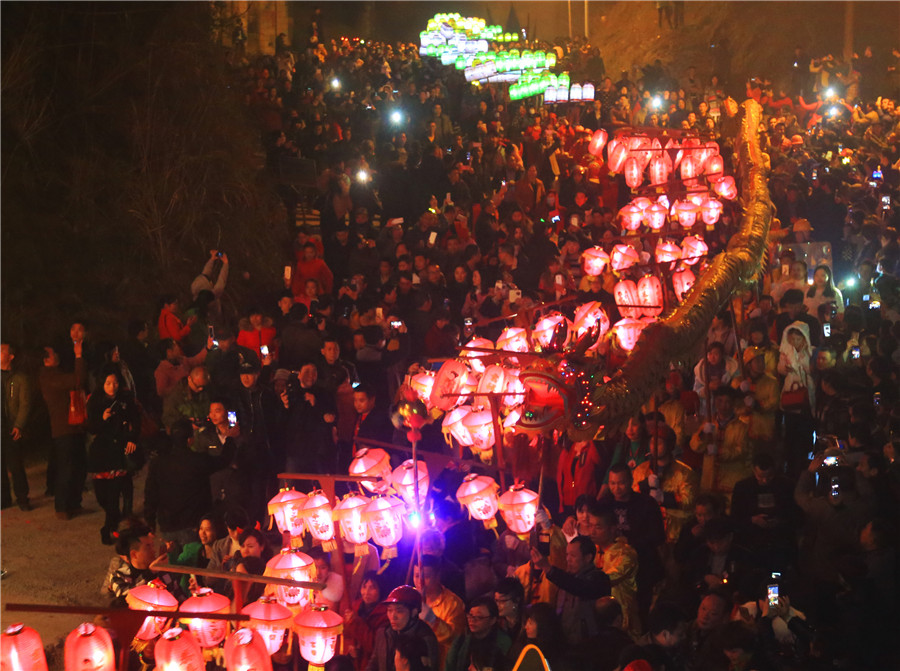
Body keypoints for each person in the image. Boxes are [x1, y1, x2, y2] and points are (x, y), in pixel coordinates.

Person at [597, 464, 666, 624]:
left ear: (630, 481)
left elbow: (658, 536)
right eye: (612, 483)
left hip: (642, 566)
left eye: (621, 483)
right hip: (610, 563)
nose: (616, 488)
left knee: (639, 611)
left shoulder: (646, 504)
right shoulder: (604, 504)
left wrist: (631, 542)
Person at [87, 366, 141, 545]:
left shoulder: (126, 399)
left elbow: (136, 421)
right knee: (102, 495)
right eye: (108, 383)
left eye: (115, 382)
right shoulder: (95, 400)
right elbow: (91, 427)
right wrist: (102, 418)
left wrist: (132, 439)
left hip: (119, 451)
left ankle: (108, 528)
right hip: (101, 453)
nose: (112, 386)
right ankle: (114, 519)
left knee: (115, 492)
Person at [529, 536, 611, 646]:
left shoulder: (598, 579)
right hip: (565, 644)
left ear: (588, 558)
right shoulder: (566, 579)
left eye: (573, 555)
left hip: (589, 646)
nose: (568, 559)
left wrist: (548, 568)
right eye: (567, 554)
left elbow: (579, 587)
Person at [38, 341, 88, 518]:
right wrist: (78, 356)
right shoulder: (48, 377)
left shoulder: (55, 374)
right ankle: (62, 507)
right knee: (66, 468)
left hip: (73, 426)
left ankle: (74, 503)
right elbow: (77, 380)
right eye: (53, 354)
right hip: (63, 429)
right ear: (46, 360)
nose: (57, 356)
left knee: (78, 467)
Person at [143, 419, 213, 546]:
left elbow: (151, 492)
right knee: (191, 557)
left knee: (172, 557)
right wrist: (230, 439)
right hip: (192, 523)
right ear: (190, 440)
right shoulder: (198, 460)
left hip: (168, 525)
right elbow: (223, 461)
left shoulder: (158, 463)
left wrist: (150, 521)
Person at [631, 424, 698, 544]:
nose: (655, 447)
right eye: (652, 443)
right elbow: (633, 496)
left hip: (675, 533)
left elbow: (689, 500)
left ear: (669, 445)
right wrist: (644, 486)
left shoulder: (684, 473)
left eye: (659, 443)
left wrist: (664, 497)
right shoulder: (641, 470)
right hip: (647, 532)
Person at [586, 506, 641, 638]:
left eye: (598, 527)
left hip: (622, 621)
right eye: (590, 526)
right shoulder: (591, 550)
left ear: (612, 529)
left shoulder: (625, 553)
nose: (592, 531)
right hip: (595, 618)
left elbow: (608, 578)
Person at [366, 585, 440, 671]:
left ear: (414, 612)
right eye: (389, 610)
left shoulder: (425, 640)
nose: (393, 616)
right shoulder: (384, 632)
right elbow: (374, 663)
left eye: (399, 611)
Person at [412, 554, 465, 668]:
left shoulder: (453, 603)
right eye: (416, 576)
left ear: (437, 576)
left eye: (426, 576)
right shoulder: (410, 597)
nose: (420, 581)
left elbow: (455, 639)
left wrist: (432, 620)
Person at [1, 342, 32, 511]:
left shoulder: (19, 378)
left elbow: (25, 403)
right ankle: (3, 498)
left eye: (2, 351)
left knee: (16, 464)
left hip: (11, 425)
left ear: (10, 356)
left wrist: (19, 425)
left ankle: (22, 497)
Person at [445, 596, 513, 671]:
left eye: (479, 617)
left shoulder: (502, 641)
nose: (472, 620)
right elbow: (449, 665)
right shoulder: (462, 637)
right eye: (470, 615)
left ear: (493, 620)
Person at [344, 571, 389, 671]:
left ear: (381, 590)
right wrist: (350, 646)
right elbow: (346, 634)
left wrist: (356, 623)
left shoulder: (386, 614)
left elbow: (375, 645)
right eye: (364, 587)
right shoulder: (355, 606)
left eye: (372, 588)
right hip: (354, 662)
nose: (367, 592)